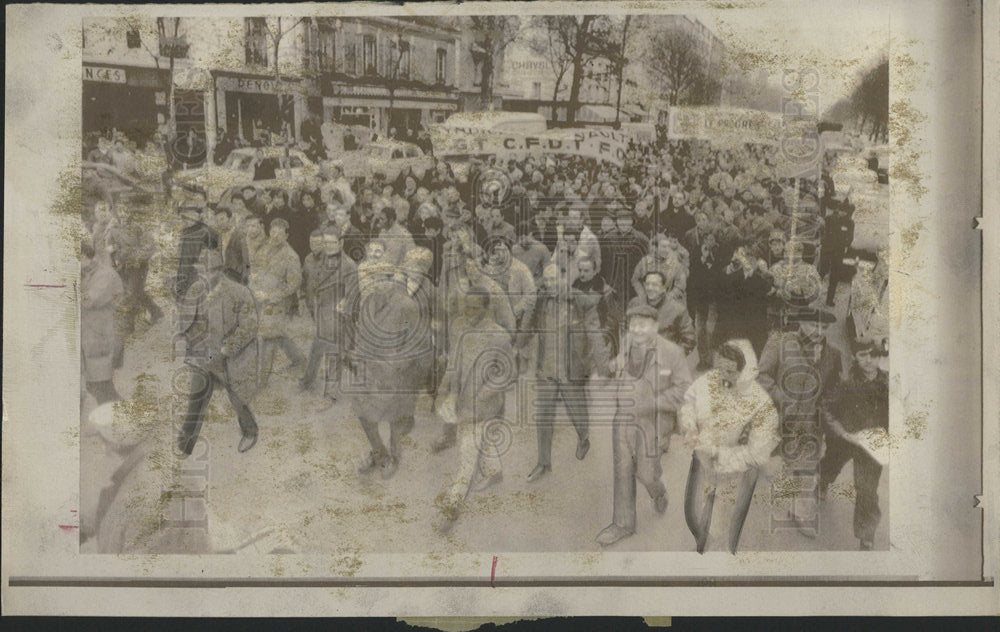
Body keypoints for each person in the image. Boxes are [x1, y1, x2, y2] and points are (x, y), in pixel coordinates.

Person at [595, 302, 692, 547]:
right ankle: (622, 524)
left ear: (656, 326)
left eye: (643, 324)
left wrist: (655, 402)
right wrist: (614, 363)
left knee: (646, 472)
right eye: (633, 324)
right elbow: (614, 366)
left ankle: (657, 490)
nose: (637, 330)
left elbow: (684, 389)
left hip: (652, 422)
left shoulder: (672, 352)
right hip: (624, 416)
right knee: (623, 469)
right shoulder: (628, 341)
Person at [679, 339, 779, 553]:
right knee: (693, 516)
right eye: (720, 369)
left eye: (731, 372)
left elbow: (758, 453)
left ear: (743, 372)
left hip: (737, 473)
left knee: (722, 530)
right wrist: (690, 427)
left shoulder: (760, 402)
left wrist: (723, 457)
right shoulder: (707, 381)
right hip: (703, 462)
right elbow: (689, 401)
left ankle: (715, 565)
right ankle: (703, 544)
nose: (723, 377)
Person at [757, 308, 843, 538]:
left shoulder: (832, 354)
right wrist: (784, 399)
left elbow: (835, 387)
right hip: (777, 420)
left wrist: (824, 406)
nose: (819, 331)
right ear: (801, 323)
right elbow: (762, 376)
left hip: (809, 426)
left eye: (824, 328)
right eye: (814, 325)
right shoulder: (779, 343)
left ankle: (801, 513)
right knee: (767, 459)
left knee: (806, 471)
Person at [351, 248, 436, 479]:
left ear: (394, 279)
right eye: (372, 279)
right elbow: (361, 330)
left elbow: (420, 343)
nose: (376, 284)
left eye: (382, 279)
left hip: (395, 372)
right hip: (369, 368)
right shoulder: (369, 301)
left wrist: (402, 367)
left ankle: (394, 456)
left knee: (393, 419)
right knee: (363, 413)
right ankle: (379, 452)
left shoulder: (406, 305)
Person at [433, 292, 514, 532]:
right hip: (463, 403)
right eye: (466, 307)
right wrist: (443, 390)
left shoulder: (499, 336)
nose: (469, 313)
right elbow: (454, 364)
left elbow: (509, 372)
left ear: (486, 309)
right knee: (479, 443)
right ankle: (494, 471)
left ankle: (450, 509)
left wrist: (484, 394)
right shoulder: (460, 329)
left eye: (475, 308)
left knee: (466, 460)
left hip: (484, 407)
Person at [176, 248, 260, 455]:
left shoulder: (239, 292)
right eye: (202, 272)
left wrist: (228, 347)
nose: (206, 277)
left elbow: (249, 326)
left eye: (210, 272)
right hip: (204, 355)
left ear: (220, 270)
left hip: (232, 357)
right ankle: (185, 445)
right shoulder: (196, 289)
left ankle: (250, 431)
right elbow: (187, 319)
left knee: (238, 398)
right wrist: (191, 342)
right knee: (196, 398)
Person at [522, 263, 591, 483]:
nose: (550, 285)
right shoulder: (541, 301)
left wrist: (594, 358)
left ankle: (583, 437)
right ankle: (543, 462)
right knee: (543, 417)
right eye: (547, 280)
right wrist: (517, 344)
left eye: (554, 280)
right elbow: (528, 326)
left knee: (577, 413)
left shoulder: (579, 299)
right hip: (546, 369)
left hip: (571, 370)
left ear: (564, 278)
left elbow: (595, 329)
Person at [818, 337, 889, 550]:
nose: (868, 361)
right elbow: (826, 409)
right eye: (862, 355)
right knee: (830, 465)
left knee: (867, 489)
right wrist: (842, 432)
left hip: (871, 445)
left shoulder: (888, 384)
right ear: (854, 358)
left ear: (879, 358)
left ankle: (866, 534)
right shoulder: (846, 383)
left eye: (873, 355)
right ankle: (822, 482)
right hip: (846, 438)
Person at [300, 228, 358, 399]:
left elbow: (353, 292)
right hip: (321, 311)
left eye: (332, 242)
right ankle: (307, 381)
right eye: (326, 243)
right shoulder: (320, 259)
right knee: (317, 348)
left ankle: (331, 392)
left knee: (333, 352)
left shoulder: (348, 265)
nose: (329, 246)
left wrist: (344, 303)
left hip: (337, 316)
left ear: (341, 243)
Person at [249, 217, 305, 379]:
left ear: (286, 236)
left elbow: (294, 284)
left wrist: (271, 295)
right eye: (273, 231)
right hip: (260, 298)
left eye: (280, 233)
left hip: (278, 303)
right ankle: (298, 358)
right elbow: (257, 267)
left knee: (268, 337)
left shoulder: (291, 256)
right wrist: (255, 279)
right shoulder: (265, 247)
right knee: (276, 333)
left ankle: (262, 379)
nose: (275, 236)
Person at [81, 238, 125, 405]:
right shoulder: (87, 273)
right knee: (95, 383)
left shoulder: (104, 274)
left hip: (102, 331)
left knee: (101, 383)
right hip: (91, 331)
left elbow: (90, 300)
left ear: (84, 256)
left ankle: (117, 419)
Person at [715, 245, 774, 356]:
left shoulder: (762, 280)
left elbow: (766, 301)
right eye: (744, 258)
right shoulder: (733, 278)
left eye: (750, 258)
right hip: (738, 328)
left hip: (756, 329)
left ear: (756, 261)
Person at [631, 271, 696, 359]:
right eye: (647, 284)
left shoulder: (677, 309)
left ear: (664, 288)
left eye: (654, 285)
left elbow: (689, 338)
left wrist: (674, 358)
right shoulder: (635, 304)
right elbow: (625, 327)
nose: (650, 288)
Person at [173, 203, 219, 302]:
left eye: (187, 217)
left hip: (194, 276)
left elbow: (186, 263)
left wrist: (180, 287)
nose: (184, 221)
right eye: (183, 217)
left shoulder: (194, 235)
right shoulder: (203, 230)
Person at [819, 200, 855, 307]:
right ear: (838, 210)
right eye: (842, 211)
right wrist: (823, 241)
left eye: (846, 212)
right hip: (826, 250)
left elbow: (850, 238)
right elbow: (821, 230)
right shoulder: (830, 218)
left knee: (834, 277)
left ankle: (829, 299)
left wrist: (845, 245)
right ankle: (812, 292)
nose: (843, 213)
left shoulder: (850, 222)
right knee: (821, 272)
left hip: (838, 253)